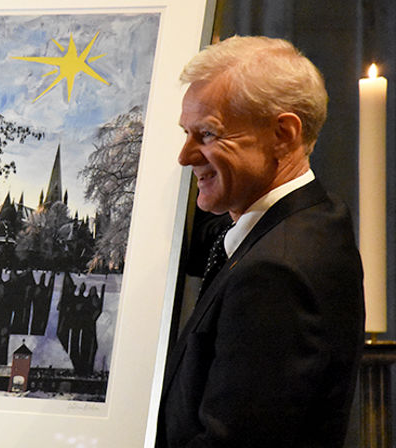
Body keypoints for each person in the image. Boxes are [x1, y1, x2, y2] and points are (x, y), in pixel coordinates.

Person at [156, 36, 365, 447]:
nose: (184, 156)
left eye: (208, 134)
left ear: (283, 134)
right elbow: (217, 240)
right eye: (186, 132)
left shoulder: (276, 273)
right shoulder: (310, 216)